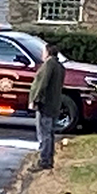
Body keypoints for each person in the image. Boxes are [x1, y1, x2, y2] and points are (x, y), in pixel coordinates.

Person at [29, 43, 66, 171]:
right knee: (49, 133)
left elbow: (42, 83)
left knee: (44, 133)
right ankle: (48, 159)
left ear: (48, 52)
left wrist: (34, 99)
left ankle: (44, 160)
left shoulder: (49, 65)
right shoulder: (60, 66)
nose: (42, 54)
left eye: (43, 51)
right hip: (54, 104)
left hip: (46, 104)